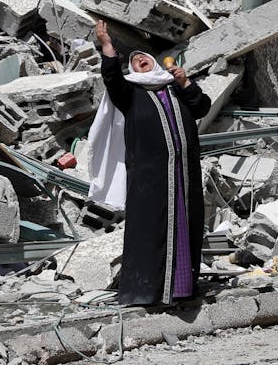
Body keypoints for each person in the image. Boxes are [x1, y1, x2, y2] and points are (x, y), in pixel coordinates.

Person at [89, 20, 210, 306]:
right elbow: (112, 79)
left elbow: (201, 108)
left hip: (183, 175)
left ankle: (181, 289)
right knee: (152, 231)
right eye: (135, 61)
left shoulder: (174, 88)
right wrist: (107, 46)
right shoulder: (130, 93)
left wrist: (185, 82)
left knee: (184, 226)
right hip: (150, 179)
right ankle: (149, 292)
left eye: (143, 57)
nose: (140, 60)